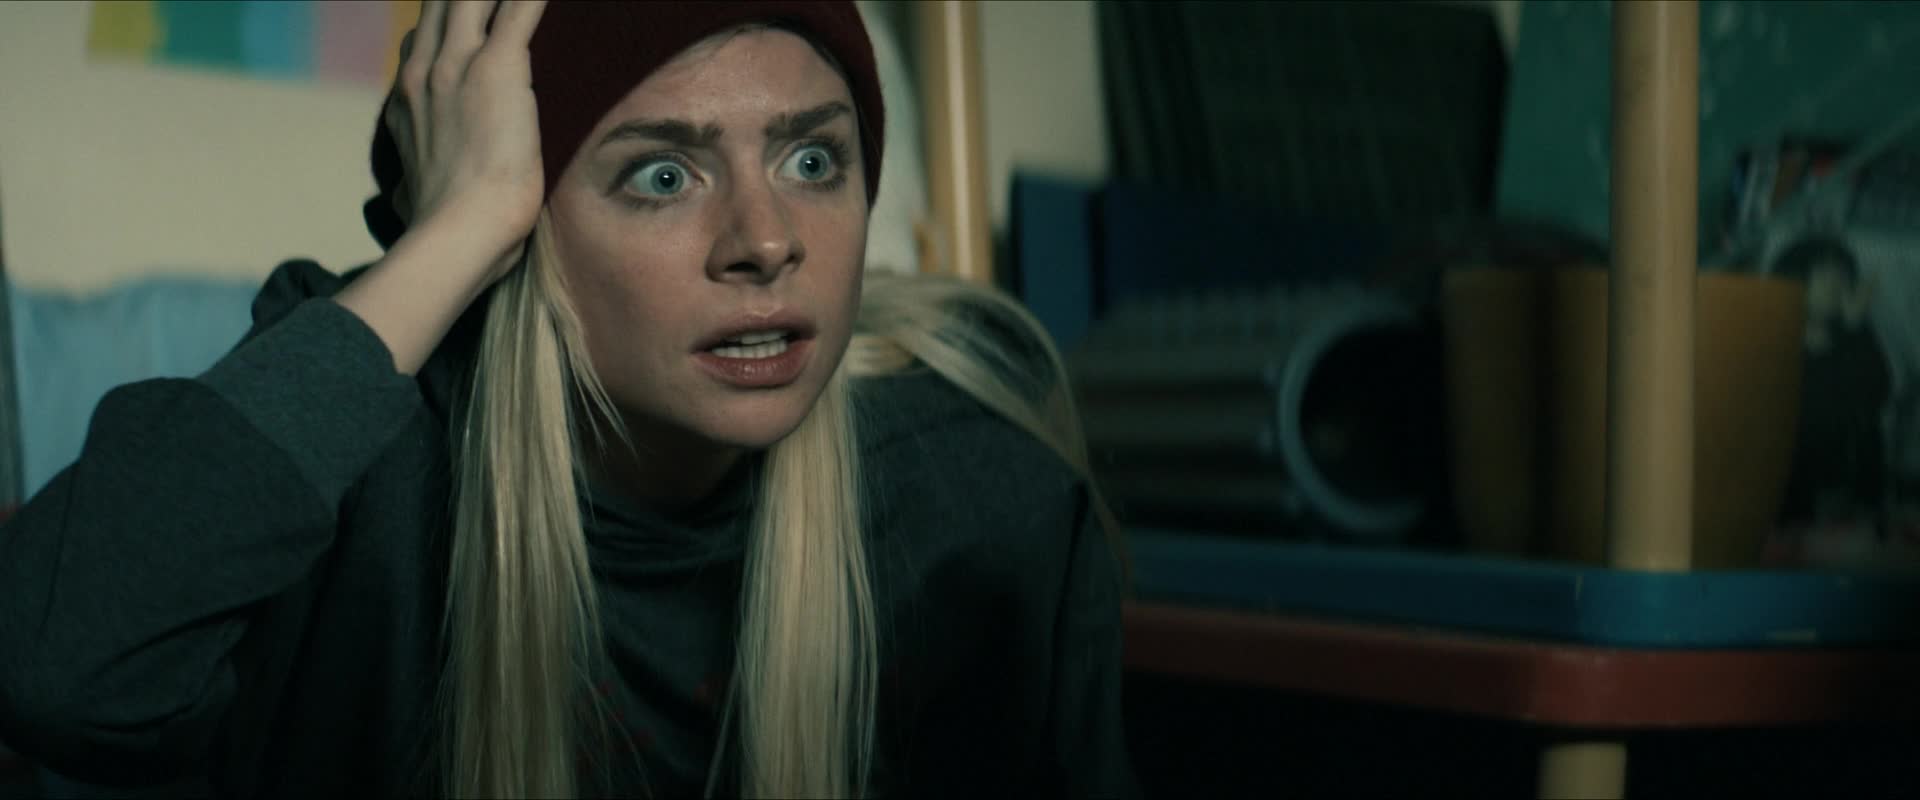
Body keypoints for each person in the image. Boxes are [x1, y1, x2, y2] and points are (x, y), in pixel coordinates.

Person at [0, 2, 1138, 797]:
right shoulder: (369, 459)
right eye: (662, 174)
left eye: (810, 161)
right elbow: (55, 664)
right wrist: (451, 237)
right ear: (523, 222)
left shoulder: (975, 504)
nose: (766, 241)